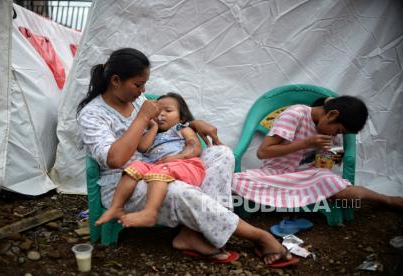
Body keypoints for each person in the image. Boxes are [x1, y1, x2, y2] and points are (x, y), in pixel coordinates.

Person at [77, 48, 298, 266]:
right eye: (138, 84)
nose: (143, 90)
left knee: (221, 153)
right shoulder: (92, 114)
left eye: (144, 84)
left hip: (155, 166)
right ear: (115, 80)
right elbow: (114, 159)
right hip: (123, 183)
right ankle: (259, 236)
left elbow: (167, 121)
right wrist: (141, 119)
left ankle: (196, 233)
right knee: (178, 191)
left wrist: (193, 123)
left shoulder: (137, 100)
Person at [233, 96, 403, 210]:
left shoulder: (330, 135)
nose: (335, 135)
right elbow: (263, 153)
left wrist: (329, 155)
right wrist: (305, 144)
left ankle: (387, 200)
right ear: (332, 114)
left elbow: (323, 168)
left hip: (306, 178)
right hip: (274, 174)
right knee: (234, 182)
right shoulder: (296, 114)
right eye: (337, 130)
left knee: (333, 183)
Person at [95, 92, 206, 228]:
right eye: (158, 111)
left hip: (182, 164)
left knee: (160, 171)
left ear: (181, 117)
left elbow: (194, 146)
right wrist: (153, 127)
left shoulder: (181, 128)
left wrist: (178, 157)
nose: (162, 114)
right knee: (134, 168)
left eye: (168, 111)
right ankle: (116, 207)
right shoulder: (151, 133)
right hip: (155, 166)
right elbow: (142, 147)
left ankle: (149, 212)